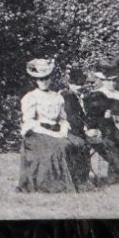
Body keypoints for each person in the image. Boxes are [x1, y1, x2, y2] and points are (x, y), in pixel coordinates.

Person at [17, 57, 79, 193]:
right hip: (36, 133)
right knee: (59, 146)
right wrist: (52, 134)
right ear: (35, 81)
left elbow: (63, 118)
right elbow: (30, 122)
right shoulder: (31, 97)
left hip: (55, 130)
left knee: (78, 143)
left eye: (46, 78)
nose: (43, 82)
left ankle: (79, 180)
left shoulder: (57, 97)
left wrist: (63, 129)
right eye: (40, 79)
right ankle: (52, 184)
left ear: (51, 78)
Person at [72, 63, 119, 186]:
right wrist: (90, 129)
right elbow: (87, 118)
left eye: (114, 81)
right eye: (108, 81)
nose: (111, 84)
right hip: (94, 131)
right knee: (110, 141)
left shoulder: (112, 95)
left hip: (111, 129)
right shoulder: (92, 96)